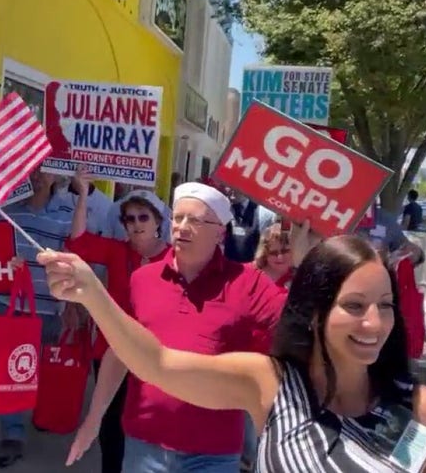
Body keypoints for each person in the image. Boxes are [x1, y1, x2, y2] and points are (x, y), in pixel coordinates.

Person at [37, 234, 426, 473]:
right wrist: (92, 294)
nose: (374, 323)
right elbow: (158, 363)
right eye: (353, 306)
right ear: (315, 313)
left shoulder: (422, 413)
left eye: (385, 306)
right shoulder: (270, 383)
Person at [63, 181, 288, 472]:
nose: (181, 227)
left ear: (220, 231)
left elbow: (299, 326)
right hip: (143, 446)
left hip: (213, 453)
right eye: (178, 218)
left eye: (194, 220)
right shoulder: (143, 280)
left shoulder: (248, 283)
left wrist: (308, 256)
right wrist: (93, 420)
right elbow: (120, 352)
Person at [66, 184, 171, 473]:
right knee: (111, 423)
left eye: (143, 217)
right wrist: (84, 195)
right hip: (110, 350)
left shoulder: (175, 258)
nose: (136, 224)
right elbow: (77, 241)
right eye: (129, 218)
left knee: (148, 424)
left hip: (155, 354)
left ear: (158, 221)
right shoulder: (116, 251)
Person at [0, 166, 80, 468]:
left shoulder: (68, 210)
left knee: (43, 373)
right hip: (11, 303)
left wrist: (73, 305)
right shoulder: (6, 207)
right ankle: (12, 436)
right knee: (11, 374)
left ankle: (43, 415)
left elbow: (75, 254)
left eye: (44, 170)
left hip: (50, 307)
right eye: (32, 170)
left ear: (56, 176)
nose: (37, 176)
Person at [357, 206, 424, 265]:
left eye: (409, 257)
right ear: (413, 243)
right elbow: (371, 211)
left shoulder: (383, 259)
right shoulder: (393, 227)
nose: (408, 251)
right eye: (413, 249)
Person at [252, 224, 295, 290]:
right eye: (273, 253)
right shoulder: (253, 274)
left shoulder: (300, 278)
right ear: (264, 253)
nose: (280, 257)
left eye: (285, 251)